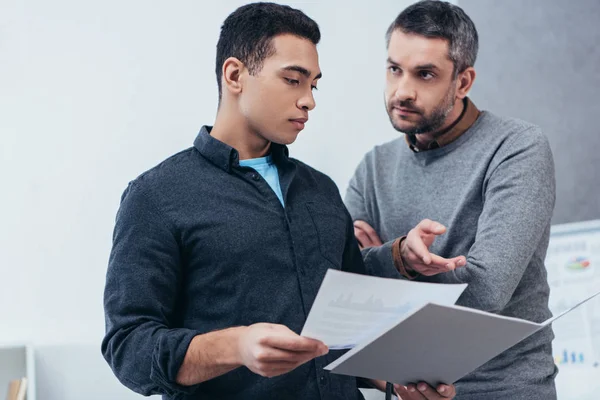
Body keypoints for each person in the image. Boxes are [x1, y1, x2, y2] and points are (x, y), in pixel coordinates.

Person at [102, 3, 456, 399]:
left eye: (314, 85)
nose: (309, 100)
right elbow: (128, 347)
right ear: (235, 75)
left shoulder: (320, 191)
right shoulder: (156, 197)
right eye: (293, 80)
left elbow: (347, 333)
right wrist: (236, 346)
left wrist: (392, 379)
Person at [346, 1, 558, 399]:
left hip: (502, 390)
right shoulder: (372, 167)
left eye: (425, 74)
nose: (402, 91)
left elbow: (484, 292)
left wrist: (386, 270)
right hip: (401, 388)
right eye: (394, 69)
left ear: (463, 82)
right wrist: (396, 256)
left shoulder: (517, 148)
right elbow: (341, 291)